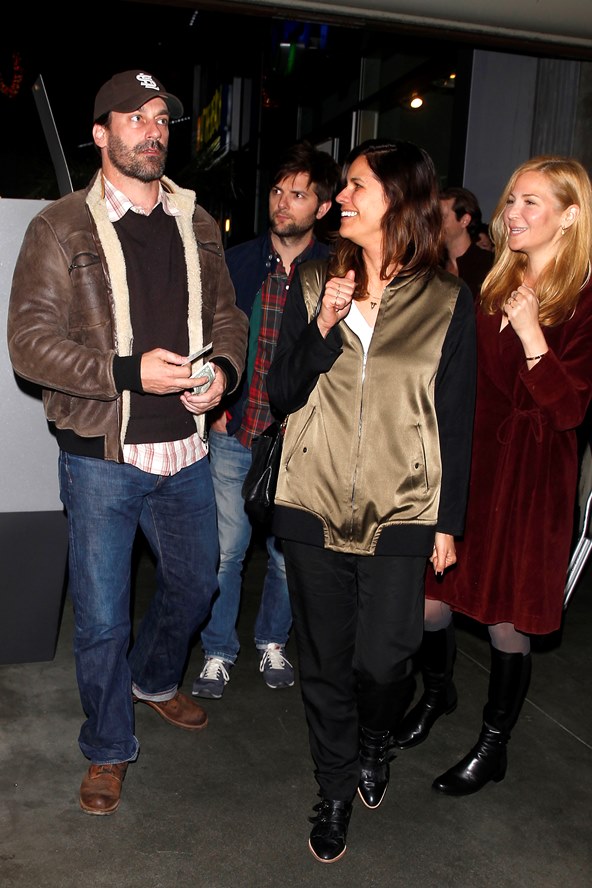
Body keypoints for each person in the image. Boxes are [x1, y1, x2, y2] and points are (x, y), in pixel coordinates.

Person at [7, 69, 248, 816]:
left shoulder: (198, 222)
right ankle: (108, 745)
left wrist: (224, 372)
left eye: (161, 119)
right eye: (135, 118)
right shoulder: (60, 227)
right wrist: (124, 372)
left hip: (187, 450)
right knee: (103, 617)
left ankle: (152, 678)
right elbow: (28, 346)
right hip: (102, 458)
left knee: (198, 585)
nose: (153, 130)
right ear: (101, 133)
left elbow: (228, 316)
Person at [266, 139, 476, 862]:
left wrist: (448, 520)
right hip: (310, 499)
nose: (341, 199)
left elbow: (455, 416)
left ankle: (376, 736)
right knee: (325, 662)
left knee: (387, 661)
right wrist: (323, 326)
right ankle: (333, 786)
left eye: (356, 186)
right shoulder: (312, 279)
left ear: (399, 197)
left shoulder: (447, 300)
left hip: (403, 506)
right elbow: (280, 391)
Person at [393, 155, 592, 796]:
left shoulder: (584, 299)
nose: (513, 212)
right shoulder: (492, 279)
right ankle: (437, 693)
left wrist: (533, 335)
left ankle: (493, 743)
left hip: (533, 479)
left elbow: (569, 411)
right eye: (511, 199)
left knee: (508, 620)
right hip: (473, 462)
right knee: (430, 597)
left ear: (571, 216)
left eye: (531, 202)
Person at [192, 141, 340, 699]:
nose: (282, 202)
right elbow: (208, 337)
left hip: (300, 441)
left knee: (284, 557)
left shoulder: (337, 271)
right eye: (278, 191)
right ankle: (217, 649)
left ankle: (272, 639)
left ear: (322, 207)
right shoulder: (237, 260)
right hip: (236, 431)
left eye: (298, 194)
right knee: (225, 551)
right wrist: (219, 409)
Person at [440, 186, 494, 299]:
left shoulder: (489, 265)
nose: (435, 223)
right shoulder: (433, 266)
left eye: (443, 217)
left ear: (465, 220)